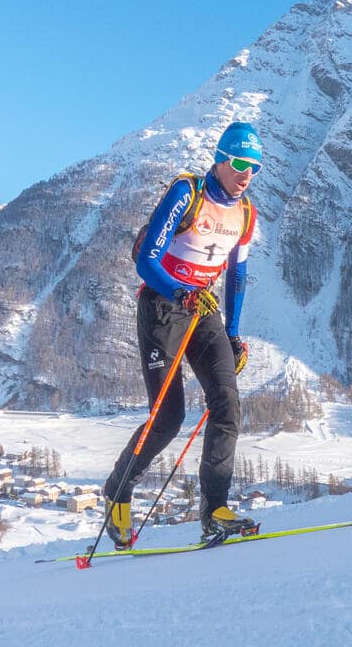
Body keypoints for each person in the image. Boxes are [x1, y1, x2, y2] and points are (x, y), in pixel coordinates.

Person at [102, 121, 263, 546]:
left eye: (256, 166)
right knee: (168, 417)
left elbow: (237, 275)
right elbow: (147, 261)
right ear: (221, 160)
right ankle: (118, 493)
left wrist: (232, 334)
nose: (247, 173)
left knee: (227, 404)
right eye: (241, 163)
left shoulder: (245, 213)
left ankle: (215, 511)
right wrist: (179, 291)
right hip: (162, 302)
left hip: (202, 305)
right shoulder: (187, 193)